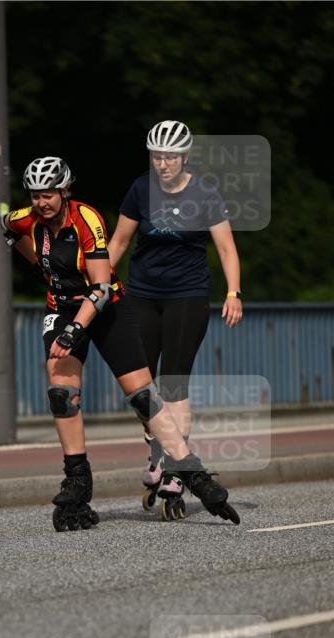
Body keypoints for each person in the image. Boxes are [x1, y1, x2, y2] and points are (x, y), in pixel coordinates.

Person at [0, 155, 240, 531]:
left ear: (65, 191)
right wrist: (39, 266)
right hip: (62, 307)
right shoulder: (26, 218)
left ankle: (192, 473)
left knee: (143, 396)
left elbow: (99, 289)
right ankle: (77, 480)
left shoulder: (87, 220)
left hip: (105, 307)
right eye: (35, 195)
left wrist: (73, 332)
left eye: (49, 194)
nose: (41, 202)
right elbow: (8, 227)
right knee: (61, 394)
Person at [108, 120, 243, 520]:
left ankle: (174, 472)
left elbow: (226, 247)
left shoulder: (205, 193)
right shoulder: (140, 190)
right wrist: (96, 287)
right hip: (142, 295)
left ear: (184, 156)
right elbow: (119, 242)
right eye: (156, 157)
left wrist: (233, 293)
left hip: (187, 296)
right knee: (142, 387)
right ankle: (158, 451)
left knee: (174, 383)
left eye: (169, 156)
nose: (162, 164)